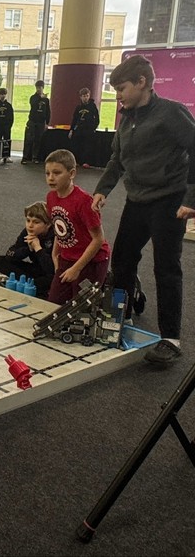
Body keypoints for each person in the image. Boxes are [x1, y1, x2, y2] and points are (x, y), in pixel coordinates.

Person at [91, 55, 195, 364]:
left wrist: (191, 197)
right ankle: (119, 318)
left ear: (142, 83)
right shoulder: (128, 117)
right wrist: (102, 190)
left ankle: (171, 338)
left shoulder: (171, 113)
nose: (118, 95)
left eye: (121, 88)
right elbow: (117, 158)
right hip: (137, 200)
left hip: (169, 201)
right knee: (122, 260)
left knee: (166, 267)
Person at [45, 149, 110, 305]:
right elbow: (59, 228)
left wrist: (77, 268)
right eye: (47, 173)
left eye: (57, 173)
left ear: (72, 173)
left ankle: (107, 282)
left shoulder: (84, 201)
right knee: (54, 302)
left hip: (91, 261)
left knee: (82, 307)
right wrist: (55, 255)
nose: (51, 178)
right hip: (67, 258)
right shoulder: (51, 197)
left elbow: (98, 239)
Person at [0, 201, 55, 299]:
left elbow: (52, 269)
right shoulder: (27, 232)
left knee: (52, 279)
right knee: (0, 261)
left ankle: (28, 285)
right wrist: (28, 249)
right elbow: (10, 254)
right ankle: (28, 285)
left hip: (49, 273)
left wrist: (38, 248)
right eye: (28, 220)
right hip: (35, 270)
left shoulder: (55, 237)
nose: (30, 225)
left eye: (36, 222)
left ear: (48, 224)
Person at [68, 88, 100, 168]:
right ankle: (77, 161)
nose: (85, 98)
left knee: (87, 146)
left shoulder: (92, 106)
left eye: (87, 96)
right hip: (79, 129)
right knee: (77, 145)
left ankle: (86, 162)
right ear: (80, 97)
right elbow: (74, 119)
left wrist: (93, 127)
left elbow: (97, 118)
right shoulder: (78, 107)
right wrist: (71, 130)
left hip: (88, 130)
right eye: (84, 96)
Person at [22, 80, 51, 164]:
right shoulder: (33, 97)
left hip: (41, 122)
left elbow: (48, 111)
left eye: (40, 87)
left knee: (38, 140)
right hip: (32, 121)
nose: (39, 89)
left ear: (43, 88)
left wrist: (47, 123)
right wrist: (40, 97)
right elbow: (33, 104)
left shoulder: (46, 100)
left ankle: (35, 157)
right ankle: (25, 157)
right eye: (37, 87)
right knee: (29, 140)